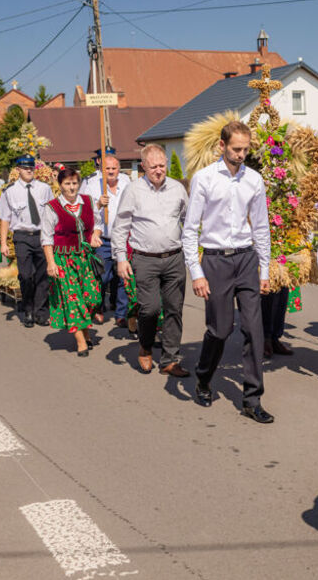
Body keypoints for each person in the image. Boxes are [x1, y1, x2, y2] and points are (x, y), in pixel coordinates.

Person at [182, 120, 273, 423]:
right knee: (220, 331)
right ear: (222, 146)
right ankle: (204, 377)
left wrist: (264, 270)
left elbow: (260, 226)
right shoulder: (204, 179)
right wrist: (196, 271)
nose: (242, 154)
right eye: (236, 149)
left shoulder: (254, 180)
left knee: (254, 330)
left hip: (246, 259)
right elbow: (190, 228)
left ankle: (252, 398)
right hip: (216, 261)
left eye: (246, 149)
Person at [112, 144, 189, 376]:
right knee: (150, 309)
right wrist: (121, 258)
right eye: (153, 166)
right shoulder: (134, 191)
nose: (158, 170)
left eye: (162, 165)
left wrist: (195, 250)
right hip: (145, 260)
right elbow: (120, 226)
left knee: (174, 309)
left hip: (174, 257)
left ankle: (170, 359)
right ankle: (145, 346)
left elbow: (190, 221)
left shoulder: (177, 189)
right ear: (143, 166)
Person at [41, 167, 102, 356]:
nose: (72, 187)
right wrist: (51, 263)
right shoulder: (52, 207)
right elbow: (46, 238)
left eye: (75, 183)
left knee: (92, 297)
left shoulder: (88, 201)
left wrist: (95, 236)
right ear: (60, 185)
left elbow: (97, 224)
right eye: (67, 184)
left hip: (84, 258)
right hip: (62, 259)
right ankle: (81, 341)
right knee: (72, 299)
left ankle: (85, 329)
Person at [0, 155, 53, 327]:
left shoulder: (44, 188)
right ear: (18, 170)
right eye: (25, 167)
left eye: (31, 167)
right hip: (22, 237)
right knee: (26, 276)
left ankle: (40, 312)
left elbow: (51, 213)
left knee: (43, 276)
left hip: (42, 235)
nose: (29, 170)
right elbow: (4, 218)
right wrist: (3, 243)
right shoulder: (10, 191)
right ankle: (28, 309)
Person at [81, 153, 133, 328]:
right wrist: (97, 205)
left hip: (123, 239)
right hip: (102, 238)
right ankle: (98, 306)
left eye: (114, 168)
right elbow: (84, 213)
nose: (111, 172)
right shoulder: (92, 186)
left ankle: (121, 314)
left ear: (119, 169)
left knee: (123, 277)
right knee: (102, 277)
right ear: (102, 170)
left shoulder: (127, 183)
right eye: (107, 169)